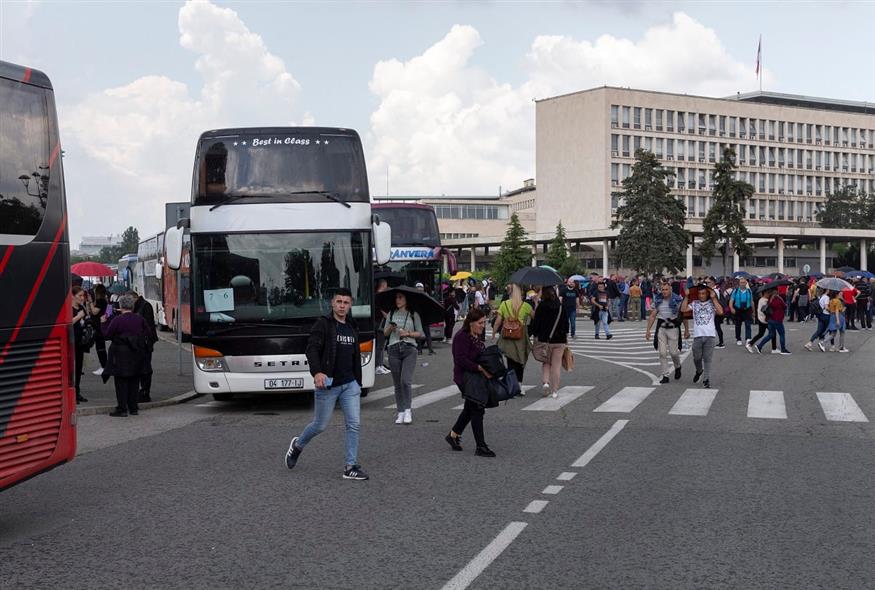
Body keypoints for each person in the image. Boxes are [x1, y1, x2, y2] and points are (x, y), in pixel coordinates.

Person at [285, 289, 368, 480]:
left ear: (350, 304)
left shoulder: (352, 325)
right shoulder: (323, 324)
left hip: (350, 385)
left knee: (354, 425)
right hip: (328, 384)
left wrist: (357, 381)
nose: (342, 305)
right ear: (332, 303)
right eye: (338, 301)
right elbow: (311, 349)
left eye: (346, 302)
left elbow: (354, 354)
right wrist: (317, 372)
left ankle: (350, 466)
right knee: (320, 425)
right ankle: (298, 445)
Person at [446, 308, 495, 457]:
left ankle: (453, 435)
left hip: (476, 377)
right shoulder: (462, 336)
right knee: (477, 409)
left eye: (484, 322)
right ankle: (481, 446)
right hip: (465, 378)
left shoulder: (476, 336)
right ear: (471, 323)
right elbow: (460, 360)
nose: (482, 326)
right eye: (480, 323)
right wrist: (479, 367)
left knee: (470, 408)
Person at [101, 293, 151, 417]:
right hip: (136, 353)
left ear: (121, 306)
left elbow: (107, 335)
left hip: (120, 354)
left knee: (121, 382)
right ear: (133, 306)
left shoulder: (117, 320)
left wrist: (103, 323)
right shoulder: (139, 319)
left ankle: (122, 409)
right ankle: (133, 408)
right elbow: (148, 332)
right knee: (134, 381)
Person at [385, 291, 423, 424]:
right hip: (393, 348)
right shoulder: (391, 313)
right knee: (397, 384)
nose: (398, 300)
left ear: (406, 300)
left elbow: (420, 333)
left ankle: (408, 410)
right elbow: (385, 333)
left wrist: (408, 333)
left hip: (409, 348)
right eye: (396, 297)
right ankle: (400, 412)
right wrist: (391, 327)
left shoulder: (413, 314)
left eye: (400, 297)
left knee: (405, 380)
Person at [646, 282, 689, 384]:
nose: (664, 291)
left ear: (670, 290)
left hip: (673, 328)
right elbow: (652, 316)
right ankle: (665, 375)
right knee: (662, 353)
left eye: (666, 289)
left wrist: (686, 330)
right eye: (663, 289)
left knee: (674, 353)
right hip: (662, 329)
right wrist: (648, 330)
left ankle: (677, 366)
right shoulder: (658, 300)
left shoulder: (677, 300)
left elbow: (683, 316)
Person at [529, 286, 568, 398]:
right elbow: (566, 324)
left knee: (546, 362)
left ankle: (546, 383)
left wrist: (535, 335)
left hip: (544, 340)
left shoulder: (542, 306)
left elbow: (536, 324)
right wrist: (566, 339)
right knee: (556, 365)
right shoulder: (561, 307)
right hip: (560, 339)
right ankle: (555, 391)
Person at [681, 284, 723, 389]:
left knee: (707, 359)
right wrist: (686, 297)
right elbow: (683, 309)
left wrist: (714, 298)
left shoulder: (712, 303)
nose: (701, 295)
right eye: (700, 293)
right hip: (698, 335)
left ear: (707, 294)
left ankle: (706, 379)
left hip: (710, 335)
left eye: (703, 293)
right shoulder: (694, 303)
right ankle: (699, 370)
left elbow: (720, 311)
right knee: (697, 357)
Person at [491, 284, 533, 385]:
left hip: (507, 336)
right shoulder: (526, 306)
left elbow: (498, 321)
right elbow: (536, 318)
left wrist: (493, 333)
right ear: (521, 293)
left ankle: (511, 384)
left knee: (510, 360)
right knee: (521, 360)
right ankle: (519, 384)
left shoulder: (504, 304)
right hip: (521, 336)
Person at [130, 291, 158, 402]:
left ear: (135, 298)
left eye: (130, 300)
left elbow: (147, 325)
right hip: (140, 342)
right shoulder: (138, 307)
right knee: (141, 367)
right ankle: (142, 391)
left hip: (145, 342)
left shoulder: (145, 306)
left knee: (145, 367)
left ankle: (145, 392)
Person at [751, 289, 791, 355]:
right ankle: (783, 349)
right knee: (782, 334)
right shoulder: (778, 299)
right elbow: (785, 306)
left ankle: (759, 346)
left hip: (770, 319)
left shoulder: (769, 300)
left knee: (771, 334)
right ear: (777, 293)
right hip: (777, 319)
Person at [71, 286, 93, 404]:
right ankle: (72, 393)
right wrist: (78, 317)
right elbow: (68, 323)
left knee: (79, 368)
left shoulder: (82, 307)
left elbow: (88, 320)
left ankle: (77, 391)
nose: (82, 298)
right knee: (72, 368)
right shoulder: (69, 308)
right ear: (72, 296)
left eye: (83, 296)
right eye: (79, 296)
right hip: (72, 342)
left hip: (81, 342)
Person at [747, 289, 778, 354]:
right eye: (768, 293)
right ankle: (773, 348)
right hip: (765, 320)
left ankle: (750, 344)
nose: (769, 294)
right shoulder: (764, 301)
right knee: (772, 333)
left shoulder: (761, 299)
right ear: (765, 293)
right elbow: (766, 310)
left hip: (761, 319)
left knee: (761, 334)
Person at [90, 284, 109, 375]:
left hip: (99, 326)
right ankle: (104, 366)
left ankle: (104, 366)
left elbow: (94, 312)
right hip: (98, 325)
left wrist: (90, 303)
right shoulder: (99, 301)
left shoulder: (101, 301)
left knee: (100, 347)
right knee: (99, 347)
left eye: (95, 290)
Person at [728, 277, 754, 345]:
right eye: (741, 282)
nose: (742, 284)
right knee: (738, 325)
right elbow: (731, 300)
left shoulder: (749, 291)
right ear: (739, 283)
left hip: (747, 309)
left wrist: (753, 311)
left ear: (746, 283)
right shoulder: (735, 291)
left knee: (748, 324)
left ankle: (748, 338)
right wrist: (731, 308)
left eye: (744, 282)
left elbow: (751, 301)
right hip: (738, 309)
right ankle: (738, 338)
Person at [374, 278, 390, 375]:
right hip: (380, 323)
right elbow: (380, 310)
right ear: (383, 285)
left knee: (381, 346)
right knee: (380, 346)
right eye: (386, 286)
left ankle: (380, 365)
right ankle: (377, 366)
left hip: (378, 322)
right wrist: (387, 316)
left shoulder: (375, 295)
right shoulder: (379, 296)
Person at [704, 277, 725, 348]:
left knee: (717, 327)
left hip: (715, 312)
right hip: (711, 312)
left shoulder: (715, 290)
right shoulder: (710, 290)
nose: (706, 284)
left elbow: (717, 302)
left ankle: (721, 343)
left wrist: (716, 311)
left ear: (713, 282)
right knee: (711, 327)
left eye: (708, 282)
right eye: (706, 282)